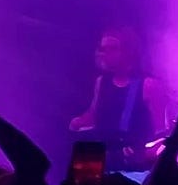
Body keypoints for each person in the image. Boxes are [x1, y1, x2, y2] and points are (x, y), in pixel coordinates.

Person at [69, 27, 167, 170]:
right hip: (102, 159)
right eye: (103, 49)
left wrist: (146, 154)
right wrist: (78, 121)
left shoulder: (148, 85)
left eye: (112, 48)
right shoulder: (101, 82)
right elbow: (94, 114)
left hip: (134, 167)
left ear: (128, 52)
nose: (104, 54)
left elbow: (161, 132)